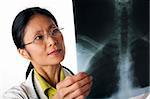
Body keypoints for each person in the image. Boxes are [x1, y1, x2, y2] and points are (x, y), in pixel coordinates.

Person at [3, 7, 93, 99]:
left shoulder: (83, 85)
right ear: (23, 53)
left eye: (54, 31)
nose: (52, 41)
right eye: (39, 37)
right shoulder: (16, 96)